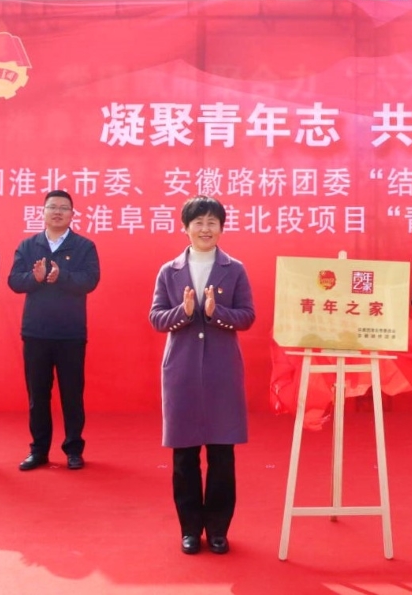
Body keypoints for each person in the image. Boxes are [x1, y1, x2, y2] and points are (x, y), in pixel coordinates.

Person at [149, 196, 255, 556]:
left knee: (222, 455)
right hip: (181, 372)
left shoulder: (234, 269)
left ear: (221, 228)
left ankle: (219, 529)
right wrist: (184, 311)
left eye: (212, 222)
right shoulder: (169, 271)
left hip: (222, 372)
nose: (205, 229)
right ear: (185, 228)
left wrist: (214, 312)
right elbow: (156, 318)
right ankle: (190, 530)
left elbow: (247, 316)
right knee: (185, 456)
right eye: (198, 222)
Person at [8, 190, 100, 471]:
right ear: (43, 212)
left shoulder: (84, 246)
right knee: (38, 396)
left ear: (72, 214)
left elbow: (90, 280)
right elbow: (14, 281)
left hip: (71, 333)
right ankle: (38, 451)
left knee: (72, 395)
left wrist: (62, 276)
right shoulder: (29, 245)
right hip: (36, 332)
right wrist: (34, 278)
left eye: (64, 208)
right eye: (52, 207)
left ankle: (73, 449)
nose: (58, 212)